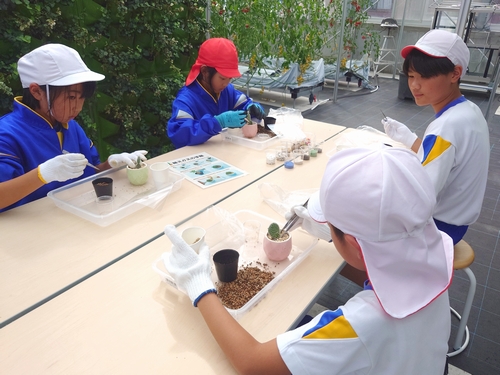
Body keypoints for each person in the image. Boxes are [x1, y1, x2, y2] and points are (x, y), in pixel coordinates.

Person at [163, 146, 453, 375]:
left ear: (353, 244)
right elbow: (373, 262)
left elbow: (251, 363)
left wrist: (198, 282)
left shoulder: (358, 326)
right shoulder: (433, 259)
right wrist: (331, 228)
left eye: (331, 227)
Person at [0, 43, 148, 212]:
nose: (77, 107)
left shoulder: (70, 125)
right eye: (71, 97)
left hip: (78, 215)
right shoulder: (6, 134)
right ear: (36, 91)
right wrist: (42, 175)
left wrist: (111, 165)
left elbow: (90, 172)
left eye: (82, 98)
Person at [381, 29, 490, 245]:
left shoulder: (445, 127)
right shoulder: (469, 111)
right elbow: (446, 160)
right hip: (457, 223)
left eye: (425, 76)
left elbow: (417, 198)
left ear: (455, 73)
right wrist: (408, 138)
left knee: (344, 227)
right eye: (411, 76)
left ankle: (378, 278)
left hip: (436, 229)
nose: (414, 85)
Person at [166, 38, 265, 148]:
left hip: (222, 154)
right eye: (222, 78)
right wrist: (217, 122)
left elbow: (244, 105)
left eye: (229, 78)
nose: (226, 84)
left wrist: (252, 109)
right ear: (205, 72)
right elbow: (180, 135)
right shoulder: (186, 99)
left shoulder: (227, 90)